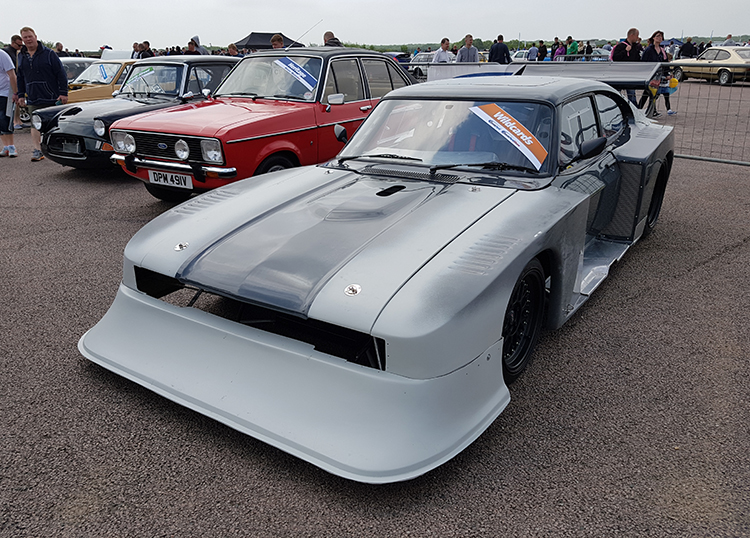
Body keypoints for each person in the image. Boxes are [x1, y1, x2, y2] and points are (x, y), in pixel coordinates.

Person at [16, 26, 68, 161]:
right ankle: (37, 150)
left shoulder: (49, 54)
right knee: (35, 123)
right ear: (22, 40)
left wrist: (63, 92)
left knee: (53, 123)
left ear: (35, 37)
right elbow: (20, 77)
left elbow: (61, 74)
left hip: (51, 96)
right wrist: (20, 94)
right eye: (25, 37)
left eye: (30, 36)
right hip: (33, 96)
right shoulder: (21, 56)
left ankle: (55, 148)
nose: (28, 39)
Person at [638, 30, 676, 116]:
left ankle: (650, 110)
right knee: (647, 93)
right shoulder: (648, 49)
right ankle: (642, 110)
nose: (659, 38)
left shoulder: (662, 50)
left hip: (659, 75)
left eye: (661, 36)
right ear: (653, 38)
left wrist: (667, 74)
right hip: (650, 74)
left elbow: (665, 63)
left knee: (652, 94)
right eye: (657, 36)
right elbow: (643, 62)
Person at [612, 28, 642, 105]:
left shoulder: (635, 47)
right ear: (632, 35)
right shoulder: (620, 46)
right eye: (637, 35)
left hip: (631, 74)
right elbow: (615, 58)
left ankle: (633, 108)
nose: (637, 38)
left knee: (632, 95)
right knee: (618, 94)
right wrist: (625, 51)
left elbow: (637, 60)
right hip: (620, 74)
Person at [0, 48, 18, 157]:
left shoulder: (2, 55)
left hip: (4, 92)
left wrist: (15, 92)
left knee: (4, 118)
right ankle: (5, 146)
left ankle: (11, 146)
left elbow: (12, 74)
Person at [2, 35, 23, 129]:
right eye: (19, 45)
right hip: (10, 80)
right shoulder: (6, 52)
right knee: (13, 100)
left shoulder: (17, 52)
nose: (20, 47)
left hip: (16, 78)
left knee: (17, 101)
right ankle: (14, 121)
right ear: (13, 43)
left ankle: (18, 120)